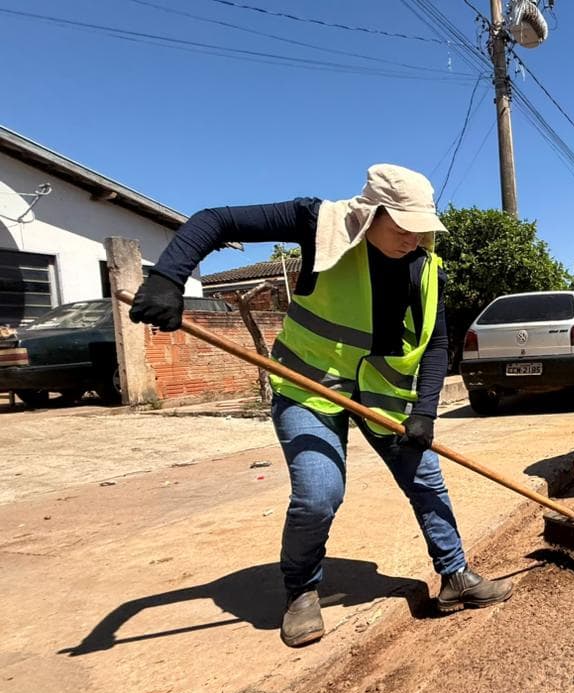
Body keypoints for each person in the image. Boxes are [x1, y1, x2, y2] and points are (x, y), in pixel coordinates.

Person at [128, 164, 512, 647]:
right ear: (372, 213)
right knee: (319, 493)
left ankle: (456, 576)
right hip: (308, 386)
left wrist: (425, 412)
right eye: (403, 227)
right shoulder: (320, 224)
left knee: (426, 478)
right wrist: (168, 279)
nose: (413, 239)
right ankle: (302, 591)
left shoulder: (425, 266)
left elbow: (436, 346)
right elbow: (215, 220)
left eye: (422, 229)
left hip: (385, 397)